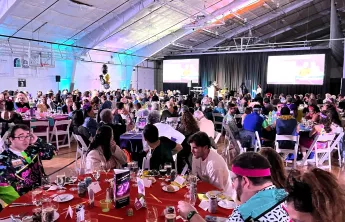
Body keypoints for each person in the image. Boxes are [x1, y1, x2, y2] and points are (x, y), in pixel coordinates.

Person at [179, 152, 289, 222]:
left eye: (234, 179)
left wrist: (191, 214)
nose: (232, 185)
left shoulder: (244, 214)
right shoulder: (287, 197)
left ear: (245, 181)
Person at [0, 124, 57, 202]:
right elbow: (6, 189)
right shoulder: (4, 160)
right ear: (11, 139)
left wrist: (38, 140)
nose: (26, 140)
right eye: (21, 136)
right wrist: (24, 203)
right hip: (25, 201)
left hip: (43, 194)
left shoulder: (32, 150)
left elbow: (52, 153)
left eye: (28, 136)